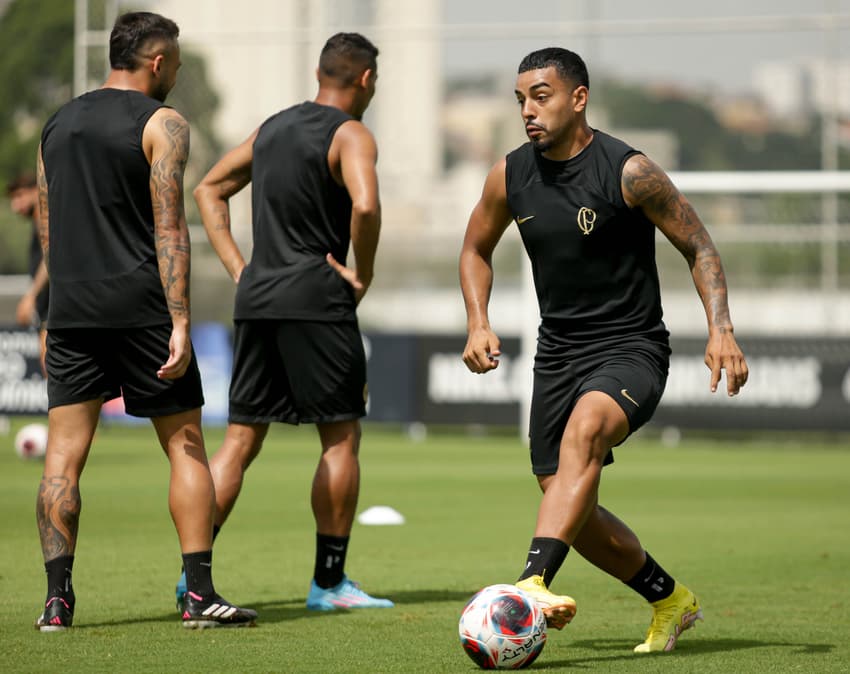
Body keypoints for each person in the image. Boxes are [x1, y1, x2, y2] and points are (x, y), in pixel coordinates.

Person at [459, 47, 748, 654]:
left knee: (586, 431)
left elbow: (699, 246)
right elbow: (475, 249)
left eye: (541, 97)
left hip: (632, 348)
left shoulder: (629, 170)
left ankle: (532, 582)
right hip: (556, 355)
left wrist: (720, 327)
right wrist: (478, 321)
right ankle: (670, 598)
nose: (528, 112)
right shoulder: (508, 175)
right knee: (568, 504)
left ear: (578, 98)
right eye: (520, 101)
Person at [34, 11, 256, 631]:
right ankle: (199, 596)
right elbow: (169, 229)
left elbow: (47, 225)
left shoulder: (58, 123)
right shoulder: (164, 123)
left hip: (74, 308)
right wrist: (180, 320)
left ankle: (56, 602)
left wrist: (58, 307)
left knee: (62, 459)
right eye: (176, 64)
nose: (177, 75)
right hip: (141, 308)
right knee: (185, 449)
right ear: (157, 61)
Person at [183, 32, 391, 612]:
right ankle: (329, 584)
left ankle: (193, 579)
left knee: (241, 440)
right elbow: (367, 205)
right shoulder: (351, 133)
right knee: (340, 436)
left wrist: (239, 269)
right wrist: (363, 272)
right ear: (366, 80)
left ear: (322, 72)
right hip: (316, 299)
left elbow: (208, 188)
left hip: (257, 298)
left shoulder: (272, 127)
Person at [7, 172, 49, 371]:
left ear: (36, 191)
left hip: (55, 311)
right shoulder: (36, 222)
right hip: (47, 310)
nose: (16, 205)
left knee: (51, 368)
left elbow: (51, 257)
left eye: (20, 196)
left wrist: (31, 296)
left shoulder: (44, 215)